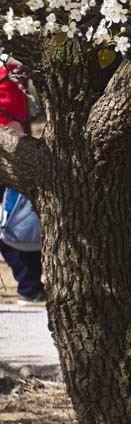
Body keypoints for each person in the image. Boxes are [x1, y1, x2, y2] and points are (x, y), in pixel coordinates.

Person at [0, 62, 46, 305]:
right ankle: (29, 287)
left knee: (16, 219)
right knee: (15, 221)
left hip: (11, 148)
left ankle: (29, 286)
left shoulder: (11, 68)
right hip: (8, 150)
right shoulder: (8, 69)